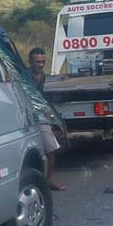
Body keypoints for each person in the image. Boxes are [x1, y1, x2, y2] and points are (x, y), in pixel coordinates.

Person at [28, 47, 66, 191]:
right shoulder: (24, 75)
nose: (41, 65)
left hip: (38, 114)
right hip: (25, 114)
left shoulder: (42, 76)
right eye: (37, 62)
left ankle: (48, 181)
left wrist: (49, 114)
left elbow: (40, 96)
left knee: (50, 148)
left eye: (43, 62)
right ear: (30, 61)